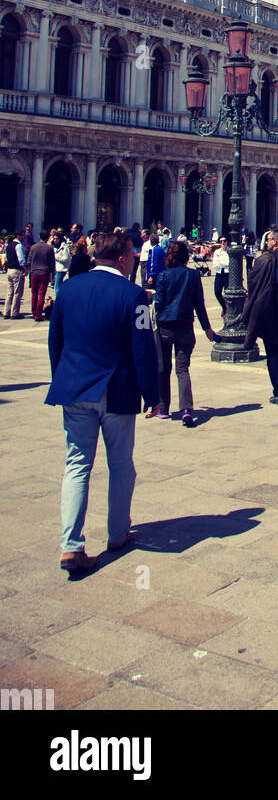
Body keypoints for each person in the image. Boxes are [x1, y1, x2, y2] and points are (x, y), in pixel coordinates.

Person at [46, 231, 159, 576]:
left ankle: (71, 545)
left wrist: (63, 378)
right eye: (132, 255)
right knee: (121, 464)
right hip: (115, 390)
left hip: (75, 388)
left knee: (76, 464)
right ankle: (117, 533)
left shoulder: (69, 289)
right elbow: (142, 348)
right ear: (124, 258)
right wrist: (152, 395)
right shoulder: (134, 295)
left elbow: (56, 339)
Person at [147, 240, 216, 426]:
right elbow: (199, 305)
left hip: (165, 327)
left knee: (163, 368)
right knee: (182, 369)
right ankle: (186, 409)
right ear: (186, 256)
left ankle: (163, 408)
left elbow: (159, 303)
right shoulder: (193, 275)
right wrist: (207, 329)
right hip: (185, 326)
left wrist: (152, 298)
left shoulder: (163, 276)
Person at [243, 227, 278, 403]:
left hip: (268, 307)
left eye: (269, 239)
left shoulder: (262, 260)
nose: (267, 242)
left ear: (275, 241)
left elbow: (253, 285)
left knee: (271, 349)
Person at [27, 228, 56, 322]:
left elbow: (29, 261)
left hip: (34, 272)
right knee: (41, 294)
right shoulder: (49, 248)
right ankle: (38, 314)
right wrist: (53, 275)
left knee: (34, 293)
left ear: (39, 237)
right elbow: (52, 263)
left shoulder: (33, 247)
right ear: (48, 238)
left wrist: (30, 271)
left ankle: (34, 312)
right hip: (44, 272)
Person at [3, 230, 25, 319]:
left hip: (10, 270)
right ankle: (14, 313)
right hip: (17, 270)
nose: (24, 238)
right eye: (23, 236)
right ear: (19, 236)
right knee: (17, 292)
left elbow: (6, 259)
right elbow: (21, 259)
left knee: (9, 292)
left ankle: (6, 312)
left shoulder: (9, 245)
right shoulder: (18, 245)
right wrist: (25, 268)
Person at [212, 237, 229, 317]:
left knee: (227, 292)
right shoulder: (217, 252)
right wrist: (223, 263)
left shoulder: (230, 251)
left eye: (224, 241)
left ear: (227, 242)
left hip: (227, 273)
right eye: (221, 241)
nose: (223, 243)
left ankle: (228, 309)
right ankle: (224, 306)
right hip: (219, 273)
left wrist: (221, 262)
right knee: (217, 292)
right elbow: (215, 264)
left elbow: (229, 263)